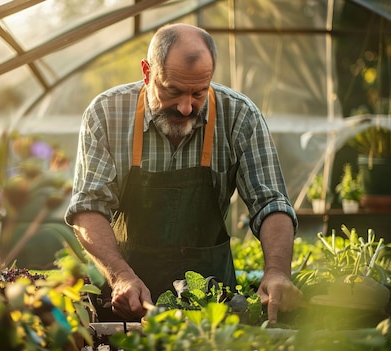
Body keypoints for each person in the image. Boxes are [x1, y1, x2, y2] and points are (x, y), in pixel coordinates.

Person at [65, 23, 302, 323]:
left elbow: (271, 203)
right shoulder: (107, 114)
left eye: (199, 93)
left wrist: (277, 271)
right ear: (147, 72)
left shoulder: (239, 116)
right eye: (173, 91)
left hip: (215, 310)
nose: (187, 107)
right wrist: (121, 276)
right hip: (132, 306)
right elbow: (88, 209)